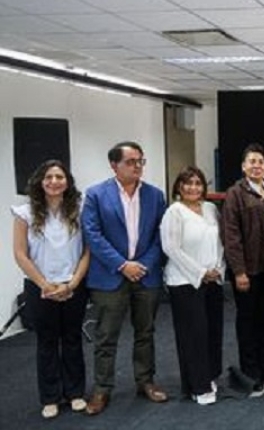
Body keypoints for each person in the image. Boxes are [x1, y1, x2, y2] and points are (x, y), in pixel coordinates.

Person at [81, 141, 168, 415]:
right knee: (106, 336)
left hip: (146, 275)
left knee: (146, 333)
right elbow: (92, 235)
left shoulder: (155, 195)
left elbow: (161, 235)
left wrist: (143, 265)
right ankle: (102, 389)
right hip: (110, 276)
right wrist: (121, 265)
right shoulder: (96, 194)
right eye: (130, 162)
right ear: (114, 165)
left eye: (141, 161)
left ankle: (146, 381)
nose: (137, 166)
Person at [11, 160, 90, 419]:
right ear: (40, 181)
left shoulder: (79, 209)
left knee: (72, 339)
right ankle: (50, 398)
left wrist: (73, 283)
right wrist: (45, 284)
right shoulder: (25, 213)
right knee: (46, 342)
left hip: (73, 285)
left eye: (59, 177)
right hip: (39, 287)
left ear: (67, 182)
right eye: (48, 177)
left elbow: (87, 251)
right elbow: (20, 254)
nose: (54, 181)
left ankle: (75, 393)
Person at [221, 143, 264, 397]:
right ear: (243, 166)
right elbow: (231, 236)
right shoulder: (235, 193)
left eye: (261, 162)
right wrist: (239, 271)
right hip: (249, 271)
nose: (257, 166)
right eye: (252, 162)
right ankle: (251, 371)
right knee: (249, 322)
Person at [160, 166, 225, 405]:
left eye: (198, 183)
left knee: (213, 332)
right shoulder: (174, 212)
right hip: (185, 282)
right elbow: (171, 248)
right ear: (179, 186)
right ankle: (198, 386)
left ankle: (209, 376)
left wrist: (218, 269)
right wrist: (201, 272)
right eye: (187, 183)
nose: (193, 187)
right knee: (193, 335)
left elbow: (221, 241)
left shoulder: (210, 208)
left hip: (213, 280)